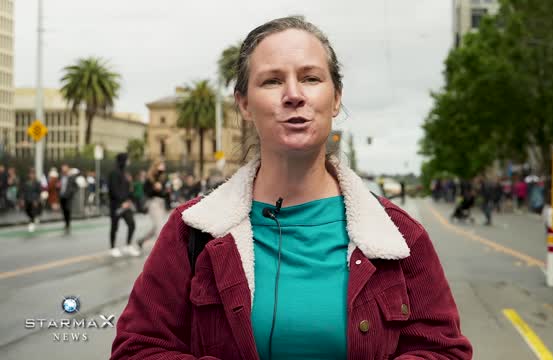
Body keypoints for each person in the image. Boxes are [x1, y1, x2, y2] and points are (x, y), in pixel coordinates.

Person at [112, 16, 472, 360]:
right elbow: (137, 349)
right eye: (271, 81)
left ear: (336, 98)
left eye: (311, 78)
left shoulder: (400, 237)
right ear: (244, 104)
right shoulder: (192, 232)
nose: (293, 94)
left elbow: (445, 351)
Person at [107, 153, 138, 257]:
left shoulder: (125, 173)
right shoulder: (114, 173)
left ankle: (128, 245)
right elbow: (113, 190)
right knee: (114, 226)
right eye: (127, 160)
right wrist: (121, 202)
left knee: (132, 224)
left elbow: (127, 189)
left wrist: (129, 200)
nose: (128, 162)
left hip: (126, 204)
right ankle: (112, 248)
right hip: (116, 205)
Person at [136, 160, 169, 250]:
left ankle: (141, 240)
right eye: (161, 165)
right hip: (153, 203)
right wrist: (154, 188)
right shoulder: (150, 178)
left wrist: (166, 192)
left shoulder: (163, 178)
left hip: (161, 203)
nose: (163, 167)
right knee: (160, 227)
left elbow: (164, 194)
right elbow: (147, 192)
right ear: (156, 166)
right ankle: (160, 250)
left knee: (157, 227)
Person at [20, 168, 42, 233]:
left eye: (33, 174)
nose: (31, 175)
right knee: (27, 211)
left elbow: (39, 192)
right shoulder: (25, 182)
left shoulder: (37, 182)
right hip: (27, 199)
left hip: (34, 200)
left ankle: (31, 223)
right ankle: (33, 219)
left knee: (33, 212)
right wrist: (22, 199)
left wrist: (37, 200)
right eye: (30, 174)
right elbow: (22, 191)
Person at [59, 164, 77, 235]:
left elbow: (75, 186)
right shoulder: (61, 177)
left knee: (68, 209)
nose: (64, 170)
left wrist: (71, 193)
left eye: (65, 169)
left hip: (68, 197)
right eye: (63, 169)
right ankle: (66, 223)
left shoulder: (71, 177)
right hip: (61, 196)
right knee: (63, 210)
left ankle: (68, 224)